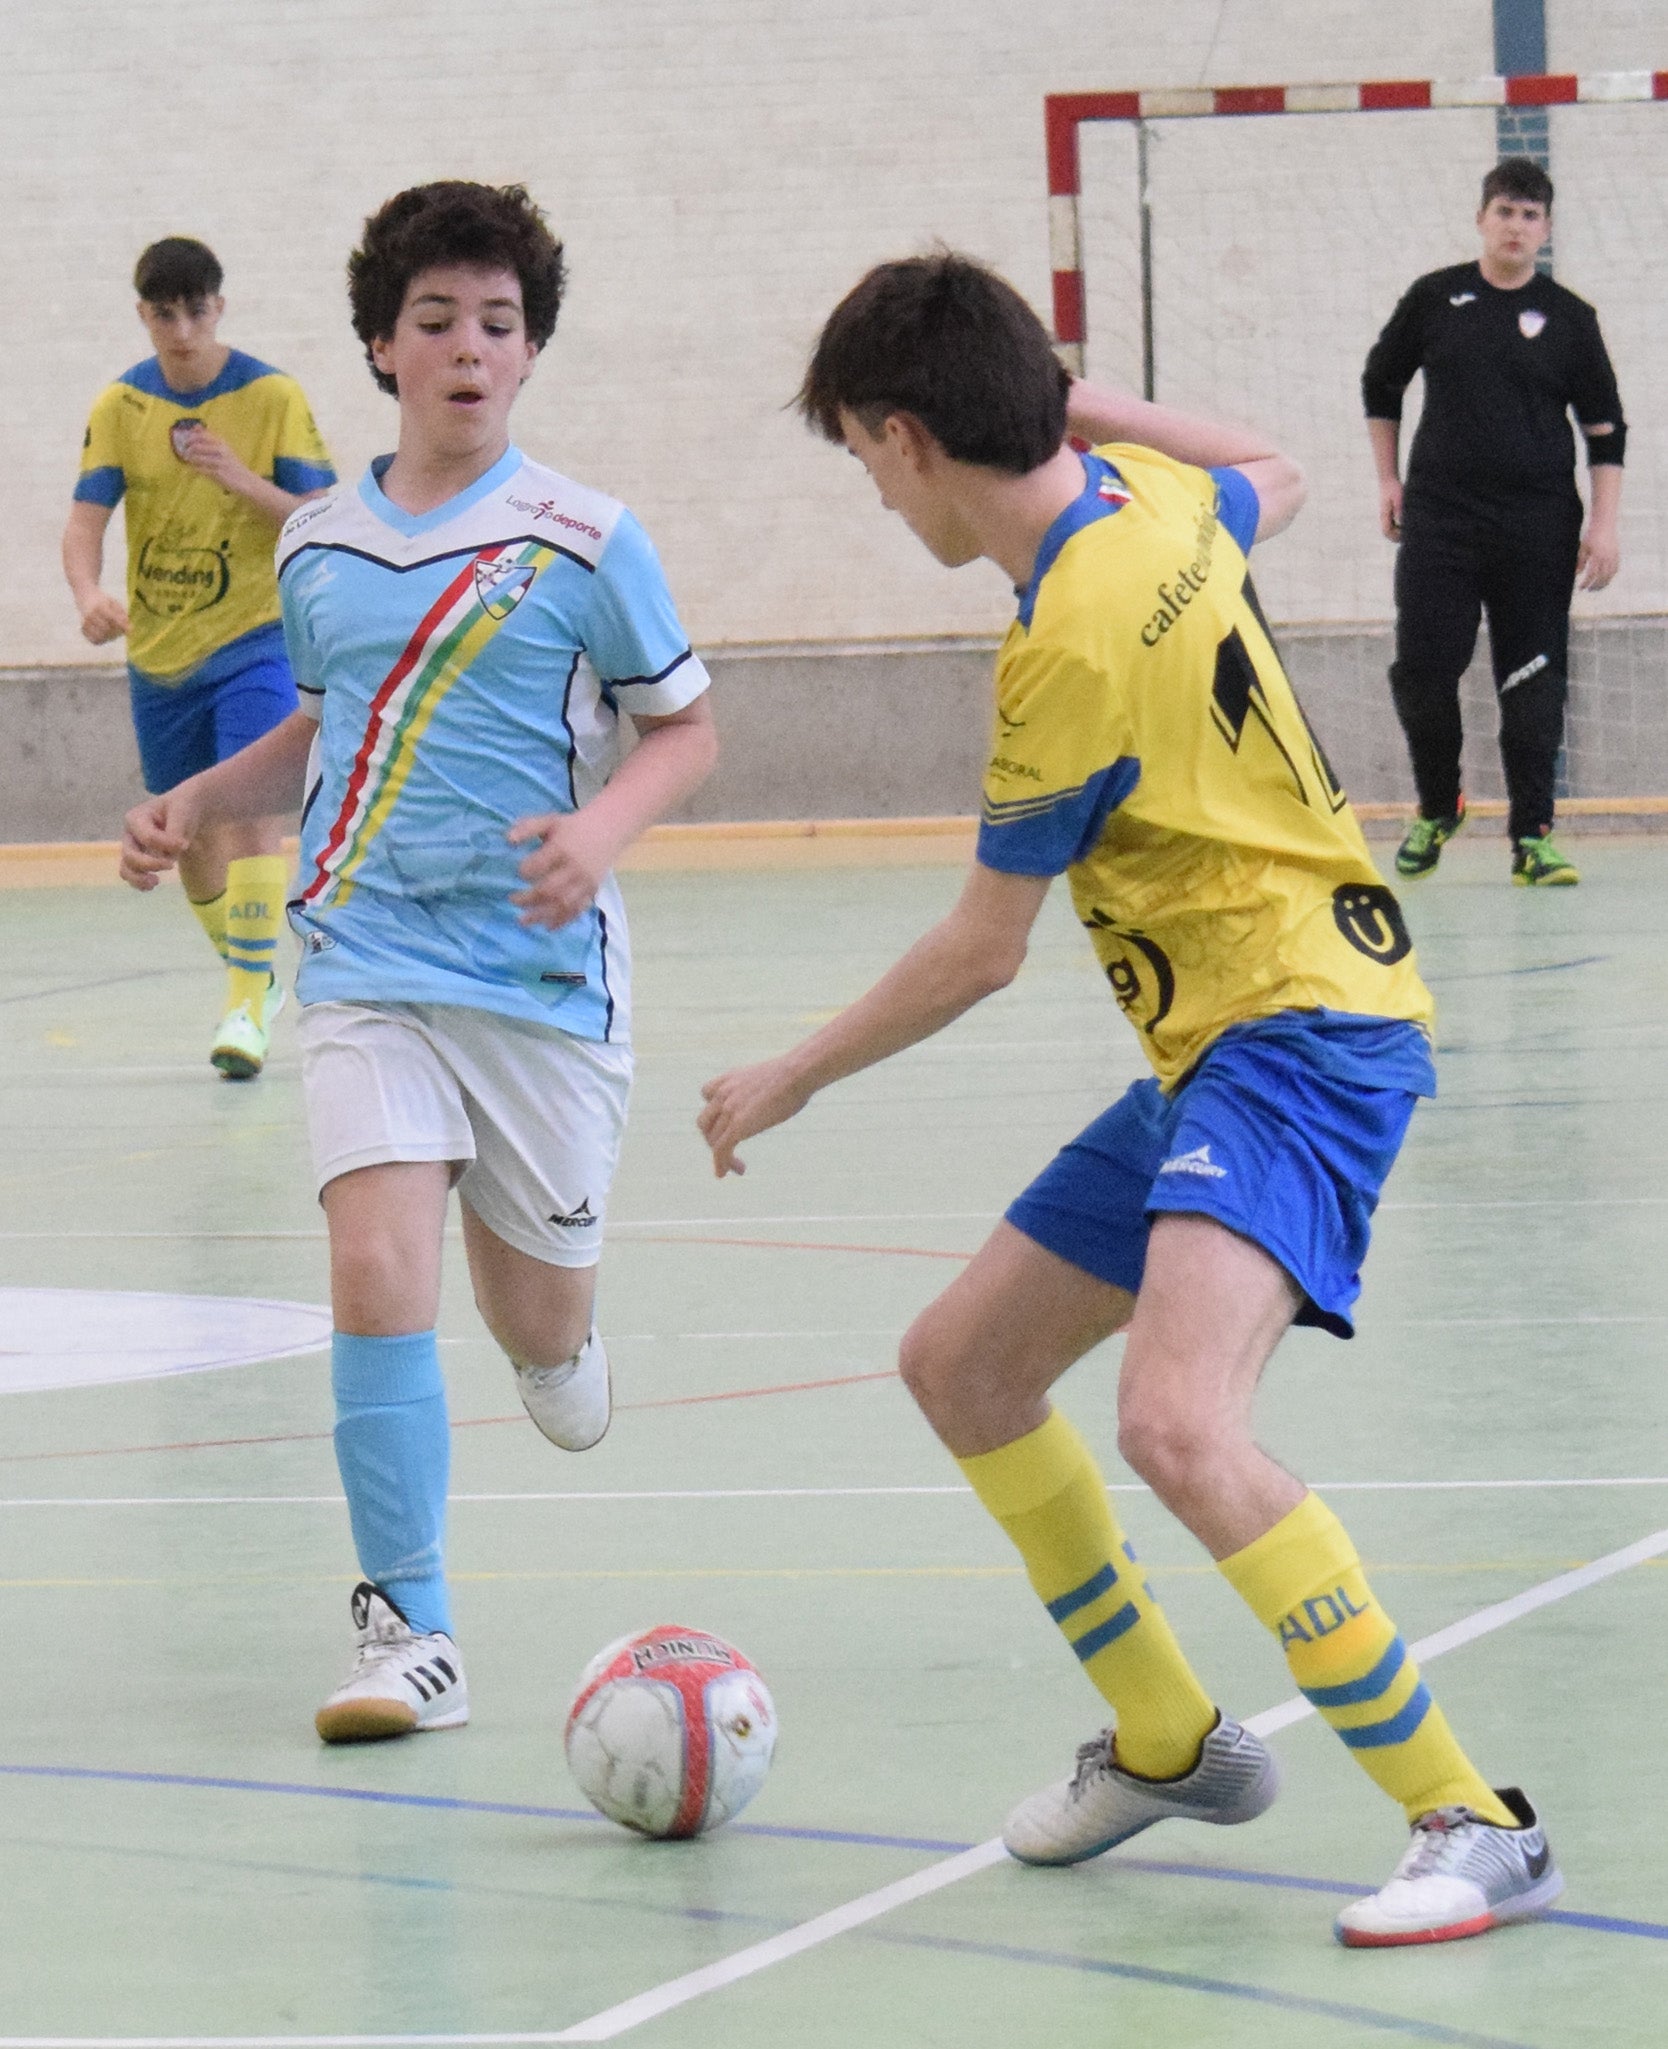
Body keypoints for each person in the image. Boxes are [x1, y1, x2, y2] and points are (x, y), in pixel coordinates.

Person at [698, 253, 1561, 1948]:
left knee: (1177, 1422)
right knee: (963, 1363)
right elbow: (1283, 464)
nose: (876, 491)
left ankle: (1473, 1817)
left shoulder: (1062, 649)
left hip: (1300, 1032)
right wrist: (1055, 392)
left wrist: (790, 1071)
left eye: (867, 457)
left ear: (902, 435)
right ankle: (1168, 1736)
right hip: (1222, 1041)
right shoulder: (1150, 495)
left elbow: (979, 946)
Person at [119, 182, 716, 1742]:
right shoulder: (315, 540)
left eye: (498, 324)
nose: (468, 348)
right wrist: (192, 798)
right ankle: (409, 1632)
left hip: (538, 986)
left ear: (531, 354)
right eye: (436, 321)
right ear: (384, 347)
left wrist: (605, 835)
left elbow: (687, 728)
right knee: (374, 1271)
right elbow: (327, 722)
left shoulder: (586, 539)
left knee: (532, 1329)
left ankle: (564, 1336)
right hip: (367, 958)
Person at [63, 236, 338, 1075]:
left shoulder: (270, 396)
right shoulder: (122, 406)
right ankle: (251, 976)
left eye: (196, 310)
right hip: (162, 652)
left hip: (254, 636)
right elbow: (84, 525)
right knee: (187, 832)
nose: (181, 330)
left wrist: (240, 479)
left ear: (220, 307)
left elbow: (322, 520)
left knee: (250, 808)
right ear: (143, 316)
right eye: (163, 314)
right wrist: (87, 596)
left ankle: (247, 1006)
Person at [1364, 157, 1625, 888]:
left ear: (1545, 228)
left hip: (1538, 525)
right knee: (1422, 669)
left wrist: (1603, 527)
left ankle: (1533, 836)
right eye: (1504, 211)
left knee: (1532, 681)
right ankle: (1438, 804)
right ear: (1482, 218)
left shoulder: (1571, 319)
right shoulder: (1434, 298)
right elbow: (1380, 383)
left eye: (1530, 214)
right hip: (1441, 519)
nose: (1516, 225)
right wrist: (1388, 479)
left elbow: (1607, 432)